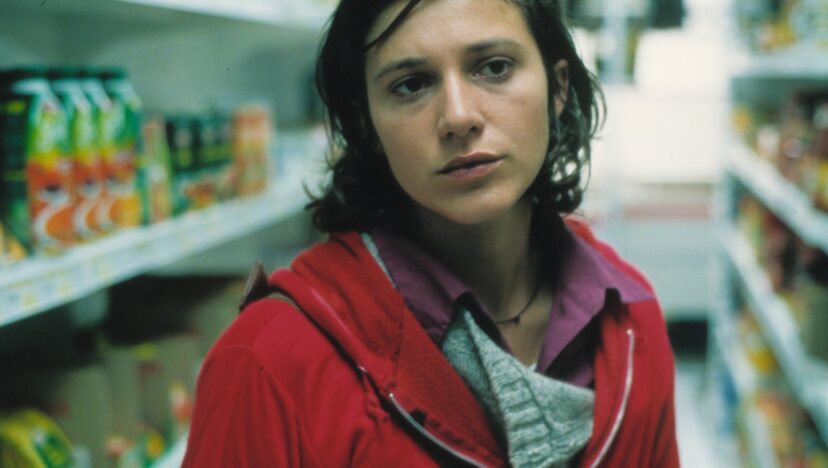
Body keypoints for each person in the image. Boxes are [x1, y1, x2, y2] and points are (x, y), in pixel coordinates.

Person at [183, 0, 679, 466]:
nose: (458, 117)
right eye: (411, 85)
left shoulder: (630, 322)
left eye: (494, 67)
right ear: (365, 123)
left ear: (558, 88)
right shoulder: (266, 362)